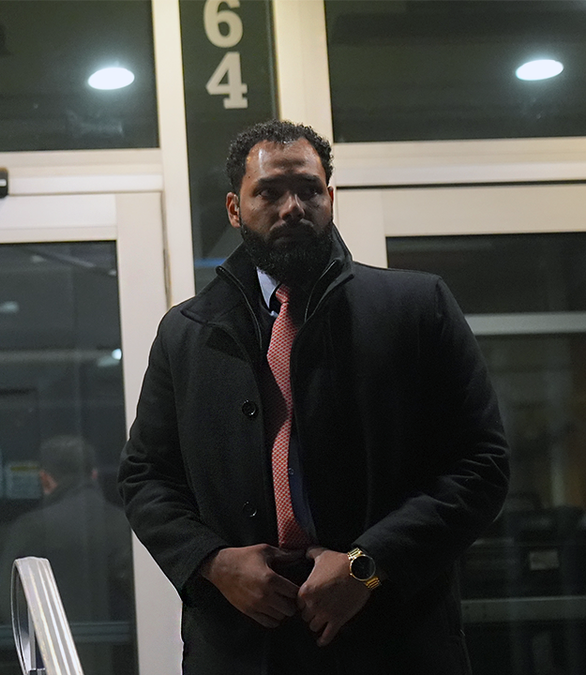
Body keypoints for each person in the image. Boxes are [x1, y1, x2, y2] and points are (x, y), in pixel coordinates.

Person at [117, 120, 510, 674]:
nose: (292, 207)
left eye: (308, 189)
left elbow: (481, 465)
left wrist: (368, 566)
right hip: (242, 645)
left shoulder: (416, 307)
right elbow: (145, 477)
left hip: (393, 636)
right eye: (269, 193)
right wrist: (211, 563)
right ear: (235, 208)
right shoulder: (186, 331)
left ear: (330, 197)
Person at [0, 436, 133, 675]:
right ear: (93, 475)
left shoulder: (33, 527)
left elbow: (4, 603)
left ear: (45, 479)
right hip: (122, 660)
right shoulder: (125, 525)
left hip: (51, 661)